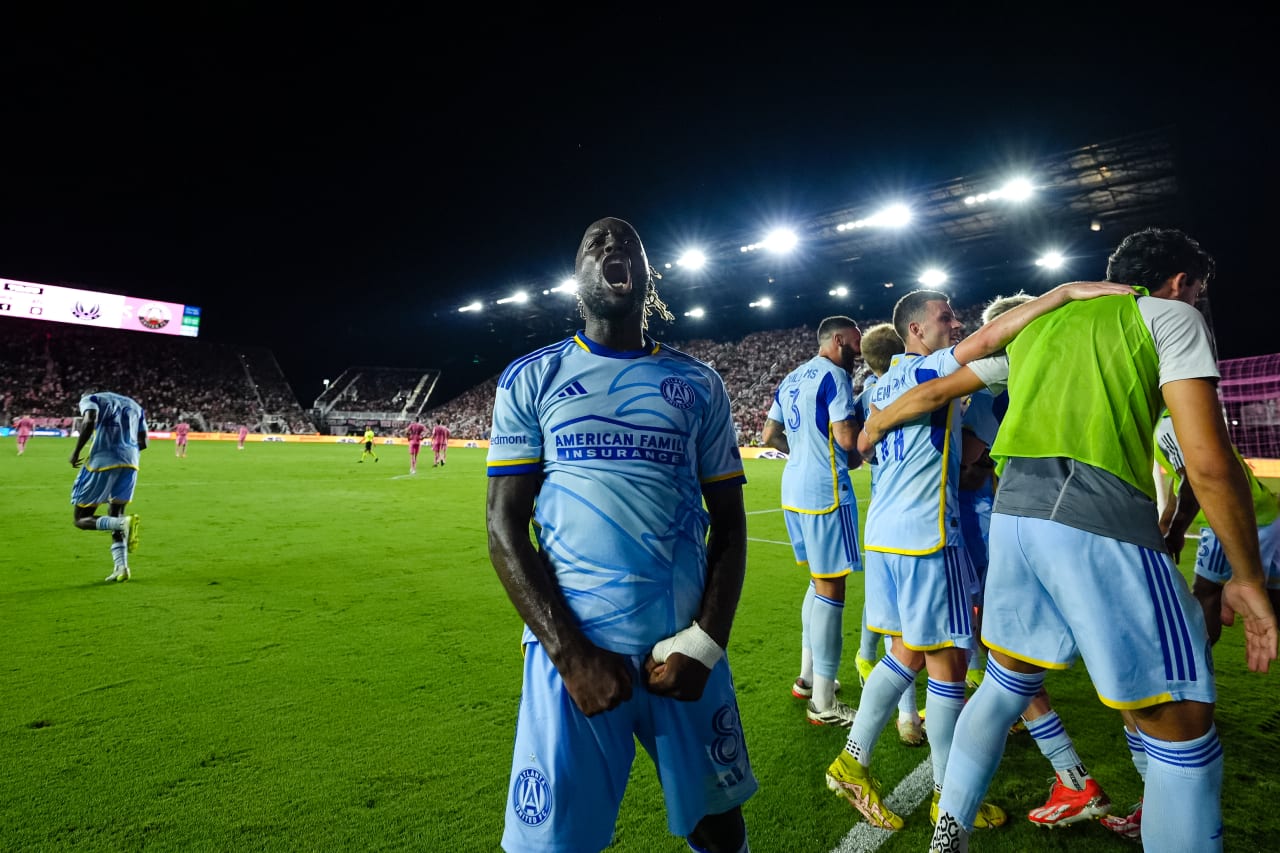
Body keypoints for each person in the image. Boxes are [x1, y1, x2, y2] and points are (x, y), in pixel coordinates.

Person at [866, 228, 1279, 853]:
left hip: (1015, 522)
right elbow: (1209, 462)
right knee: (1185, 727)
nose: (1195, 298)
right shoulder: (1167, 316)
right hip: (1098, 517)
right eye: (1195, 288)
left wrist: (873, 424)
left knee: (1005, 684)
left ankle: (946, 839)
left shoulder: (1038, 331)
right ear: (1178, 282)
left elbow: (928, 392)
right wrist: (1246, 578)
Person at [486, 216, 755, 853]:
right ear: (576, 278)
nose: (613, 246)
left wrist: (707, 642)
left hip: (681, 648)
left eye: (628, 241)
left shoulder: (699, 384)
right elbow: (503, 527)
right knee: (553, 843)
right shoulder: (531, 379)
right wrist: (569, 654)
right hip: (572, 652)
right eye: (595, 242)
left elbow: (732, 524)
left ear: (647, 275)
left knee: (718, 828)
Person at [826, 281, 1132, 834]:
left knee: (906, 655)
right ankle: (949, 802)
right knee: (949, 669)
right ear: (915, 329)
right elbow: (990, 342)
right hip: (927, 535)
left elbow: (946, 435)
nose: (957, 324)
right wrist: (1061, 296)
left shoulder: (881, 381)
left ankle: (857, 761)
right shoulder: (928, 369)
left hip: (887, 533)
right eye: (946, 318)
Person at [761, 314, 863, 727]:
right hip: (826, 494)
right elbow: (845, 440)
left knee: (817, 585)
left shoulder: (791, 378)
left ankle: (807, 679)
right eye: (855, 342)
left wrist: (802, 454)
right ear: (838, 340)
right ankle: (822, 701)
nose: (857, 350)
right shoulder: (834, 376)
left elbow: (769, 435)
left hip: (793, 491)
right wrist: (861, 448)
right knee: (832, 592)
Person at [846, 322, 927, 746]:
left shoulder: (865, 398)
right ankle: (912, 711)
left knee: (894, 618)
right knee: (915, 630)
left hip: (881, 512)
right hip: (920, 514)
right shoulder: (918, 381)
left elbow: (855, 451)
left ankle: (868, 661)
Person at [69, 391, 147, 582]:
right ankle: (121, 568)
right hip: (131, 463)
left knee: (81, 518)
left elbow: (89, 420)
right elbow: (143, 442)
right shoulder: (135, 405)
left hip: (103, 461)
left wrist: (76, 451)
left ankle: (123, 524)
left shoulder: (92, 399)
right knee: (116, 513)